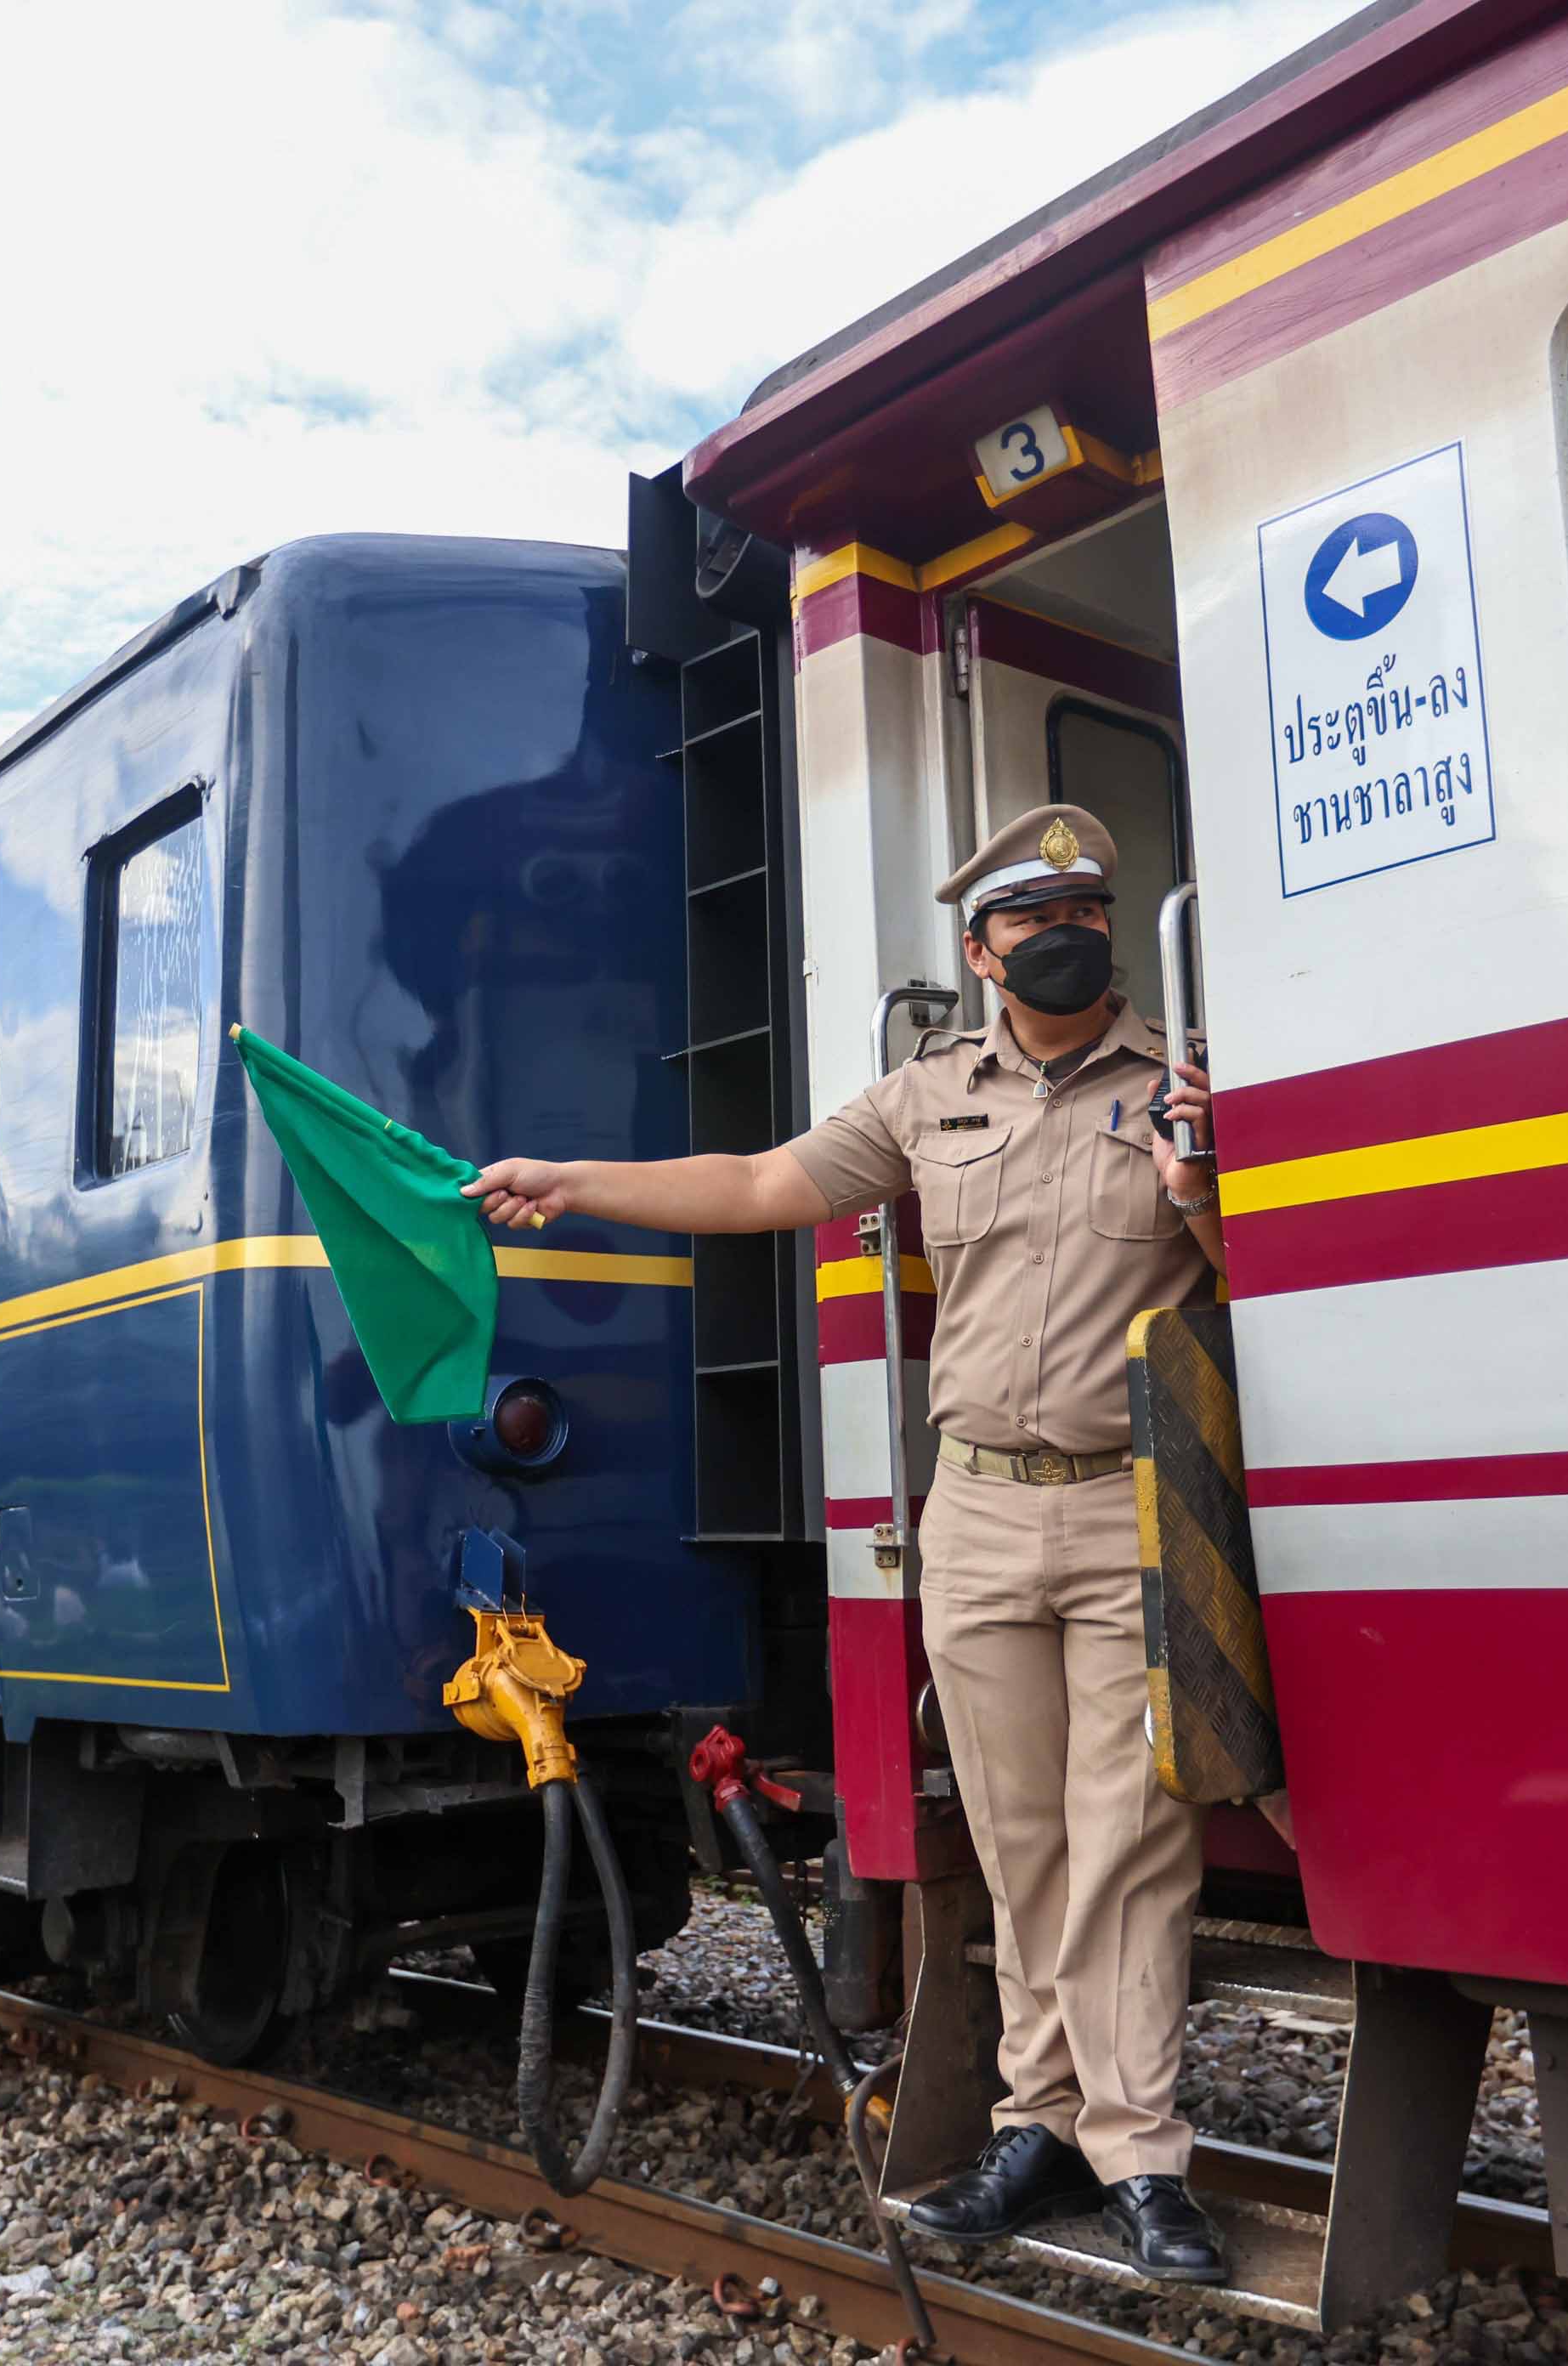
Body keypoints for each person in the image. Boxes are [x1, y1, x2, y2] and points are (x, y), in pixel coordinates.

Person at [467, 802, 1234, 2283]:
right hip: (981, 1507)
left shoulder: (1189, 1087)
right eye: (1032, 918)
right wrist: (572, 1180)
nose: (1063, 932)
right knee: (1021, 1838)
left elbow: (1271, 1280)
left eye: (1087, 907)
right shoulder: (926, 1096)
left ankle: (1140, 2150)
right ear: (981, 947)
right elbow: (761, 1184)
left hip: (1133, 1498)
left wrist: (1208, 1191)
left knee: (1134, 1838)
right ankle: (1041, 2124)